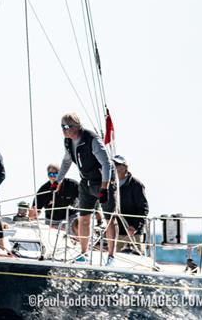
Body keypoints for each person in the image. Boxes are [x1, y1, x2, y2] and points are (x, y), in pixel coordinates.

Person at [54, 113, 118, 265]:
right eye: (62, 126)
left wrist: (104, 188)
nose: (64, 130)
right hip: (86, 182)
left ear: (76, 127)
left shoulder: (91, 139)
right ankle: (84, 253)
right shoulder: (68, 141)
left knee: (109, 219)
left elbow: (106, 164)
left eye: (67, 127)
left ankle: (111, 257)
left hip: (103, 181)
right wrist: (58, 180)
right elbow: (67, 160)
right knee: (84, 218)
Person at [114, 155, 149, 253]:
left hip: (134, 230)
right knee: (115, 256)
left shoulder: (136, 184)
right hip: (117, 229)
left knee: (139, 256)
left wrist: (135, 226)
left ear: (125, 167)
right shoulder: (109, 183)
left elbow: (144, 208)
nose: (116, 167)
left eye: (118, 164)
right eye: (114, 164)